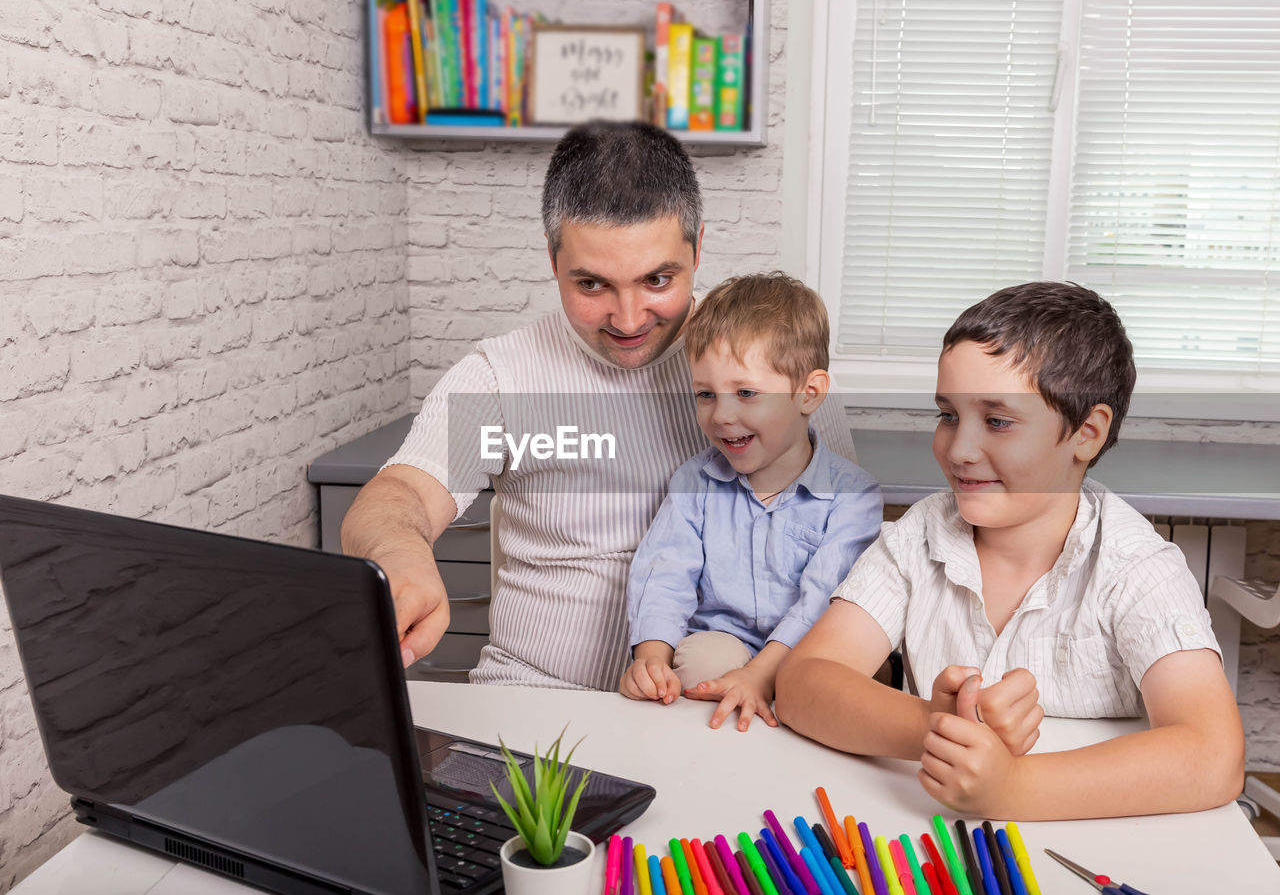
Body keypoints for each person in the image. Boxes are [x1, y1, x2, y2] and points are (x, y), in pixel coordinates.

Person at [340, 121, 858, 691]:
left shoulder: (773, 361)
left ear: (699, 247)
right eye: (592, 286)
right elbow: (402, 494)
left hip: (718, 703)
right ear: (553, 260)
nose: (629, 319)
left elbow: (848, 556)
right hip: (539, 694)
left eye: (658, 279)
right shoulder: (503, 378)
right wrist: (399, 551)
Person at [775, 281, 1244, 820]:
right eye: (948, 414)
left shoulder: (1136, 566)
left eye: (997, 421)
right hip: (934, 842)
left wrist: (1013, 786)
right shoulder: (919, 535)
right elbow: (803, 681)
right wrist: (935, 726)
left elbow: (1214, 755)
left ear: (1086, 434)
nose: (960, 448)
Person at [620, 273, 882, 731]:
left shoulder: (852, 496)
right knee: (701, 667)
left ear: (809, 392)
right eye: (706, 394)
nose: (721, 415)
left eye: (746, 393)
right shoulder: (695, 482)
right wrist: (651, 658)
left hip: (812, 650)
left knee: (843, 682)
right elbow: (665, 573)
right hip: (724, 643)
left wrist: (761, 676)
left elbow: (821, 600)